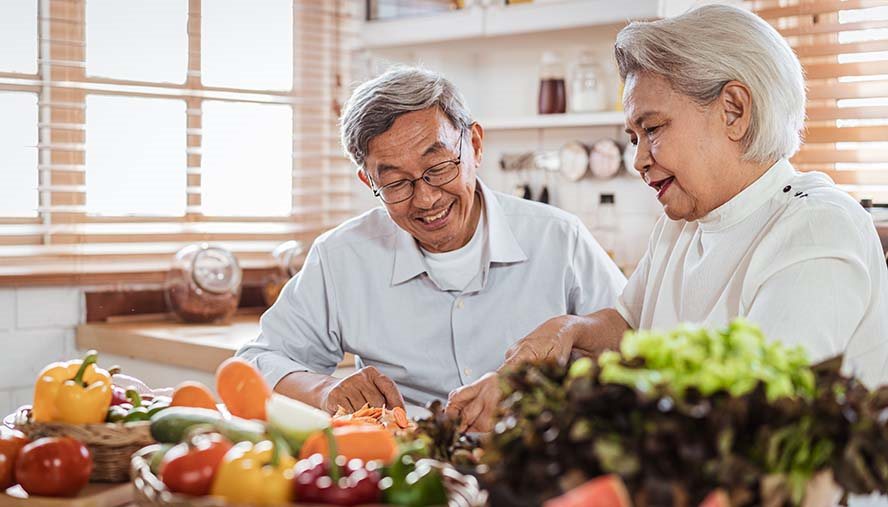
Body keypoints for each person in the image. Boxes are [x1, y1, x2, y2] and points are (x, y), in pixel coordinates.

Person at [449, 4, 888, 429]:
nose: (638, 159)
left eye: (653, 129)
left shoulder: (816, 227)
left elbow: (754, 417)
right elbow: (631, 328)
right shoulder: (682, 223)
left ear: (734, 110)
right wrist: (570, 329)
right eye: (633, 136)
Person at [236, 66, 626, 426]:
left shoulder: (559, 238)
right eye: (396, 184)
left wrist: (566, 339)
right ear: (367, 182)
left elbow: (635, 343)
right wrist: (324, 391)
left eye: (438, 168)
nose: (425, 199)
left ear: (473, 145)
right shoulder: (342, 257)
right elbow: (256, 361)